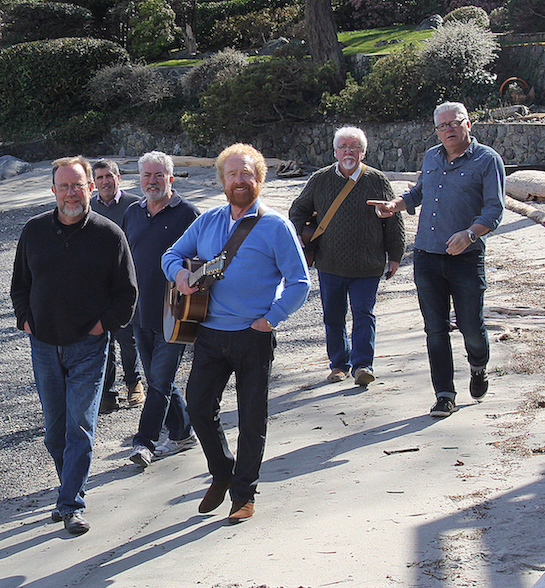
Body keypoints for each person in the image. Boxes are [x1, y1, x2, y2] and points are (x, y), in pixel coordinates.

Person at [162, 143, 310, 523]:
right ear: (222, 180)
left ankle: (244, 494)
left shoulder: (276, 226)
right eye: (233, 174)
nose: (240, 180)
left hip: (252, 335)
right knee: (197, 407)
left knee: (252, 417)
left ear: (259, 178)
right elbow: (170, 256)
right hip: (208, 333)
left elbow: (299, 282)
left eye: (247, 173)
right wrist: (180, 274)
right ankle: (222, 470)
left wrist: (273, 317)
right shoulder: (207, 221)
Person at [10, 156, 138, 535]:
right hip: (44, 346)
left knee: (79, 426)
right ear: (53, 190)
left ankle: (71, 504)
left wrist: (103, 327)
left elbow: (127, 294)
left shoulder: (109, 234)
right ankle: (70, 490)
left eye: (78, 185)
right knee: (54, 431)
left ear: (91, 188)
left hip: (89, 346)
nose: (71, 193)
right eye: (64, 186)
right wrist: (25, 319)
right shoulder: (33, 231)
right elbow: (20, 285)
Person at [369, 102, 505, 418]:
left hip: (466, 258)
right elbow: (419, 192)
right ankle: (444, 394)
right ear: (437, 131)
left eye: (454, 123)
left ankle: (478, 365)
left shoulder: (487, 160)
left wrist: (470, 234)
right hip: (427, 257)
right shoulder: (432, 156)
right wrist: (395, 204)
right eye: (442, 126)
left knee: (471, 325)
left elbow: (494, 210)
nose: (448, 129)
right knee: (435, 328)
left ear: (468, 124)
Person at [289, 127, 405, 387]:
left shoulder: (377, 180)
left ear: (363, 152)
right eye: (343, 146)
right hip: (330, 264)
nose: (348, 151)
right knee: (333, 316)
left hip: (368, 264)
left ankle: (363, 365)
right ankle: (339, 365)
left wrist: (395, 255)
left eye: (354, 147)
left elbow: (393, 219)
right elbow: (298, 209)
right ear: (335, 151)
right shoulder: (320, 179)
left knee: (364, 314)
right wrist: (298, 234)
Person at [122, 151, 201, 468]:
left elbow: (203, 264)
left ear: (171, 178)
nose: (151, 181)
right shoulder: (132, 212)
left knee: (158, 383)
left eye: (158, 175)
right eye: (146, 176)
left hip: (176, 313)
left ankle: (144, 442)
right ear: (139, 179)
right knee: (161, 380)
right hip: (140, 313)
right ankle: (183, 434)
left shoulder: (188, 214)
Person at [91, 158, 144, 413]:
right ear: (93, 182)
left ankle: (134, 383)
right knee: (104, 340)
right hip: (97, 285)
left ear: (118, 177)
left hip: (124, 281)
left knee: (127, 337)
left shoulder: (134, 205)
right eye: (99, 178)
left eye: (109, 176)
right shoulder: (88, 207)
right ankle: (108, 393)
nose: (105, 182)